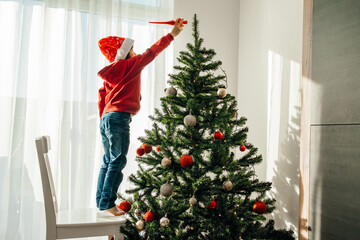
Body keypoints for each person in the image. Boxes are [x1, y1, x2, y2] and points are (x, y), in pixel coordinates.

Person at [96, 19, 184, 216]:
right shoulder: (131, 65)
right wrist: (171, 35)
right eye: (133, 50)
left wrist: (104, 119)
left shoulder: (112, 73)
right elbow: (151, 52)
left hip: (107, 118)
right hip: (118, 117)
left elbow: (102, 97)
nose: (136, 53)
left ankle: (101, 202)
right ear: (126, 53)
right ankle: (109, 203)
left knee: (108, 160)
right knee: (117, 161)